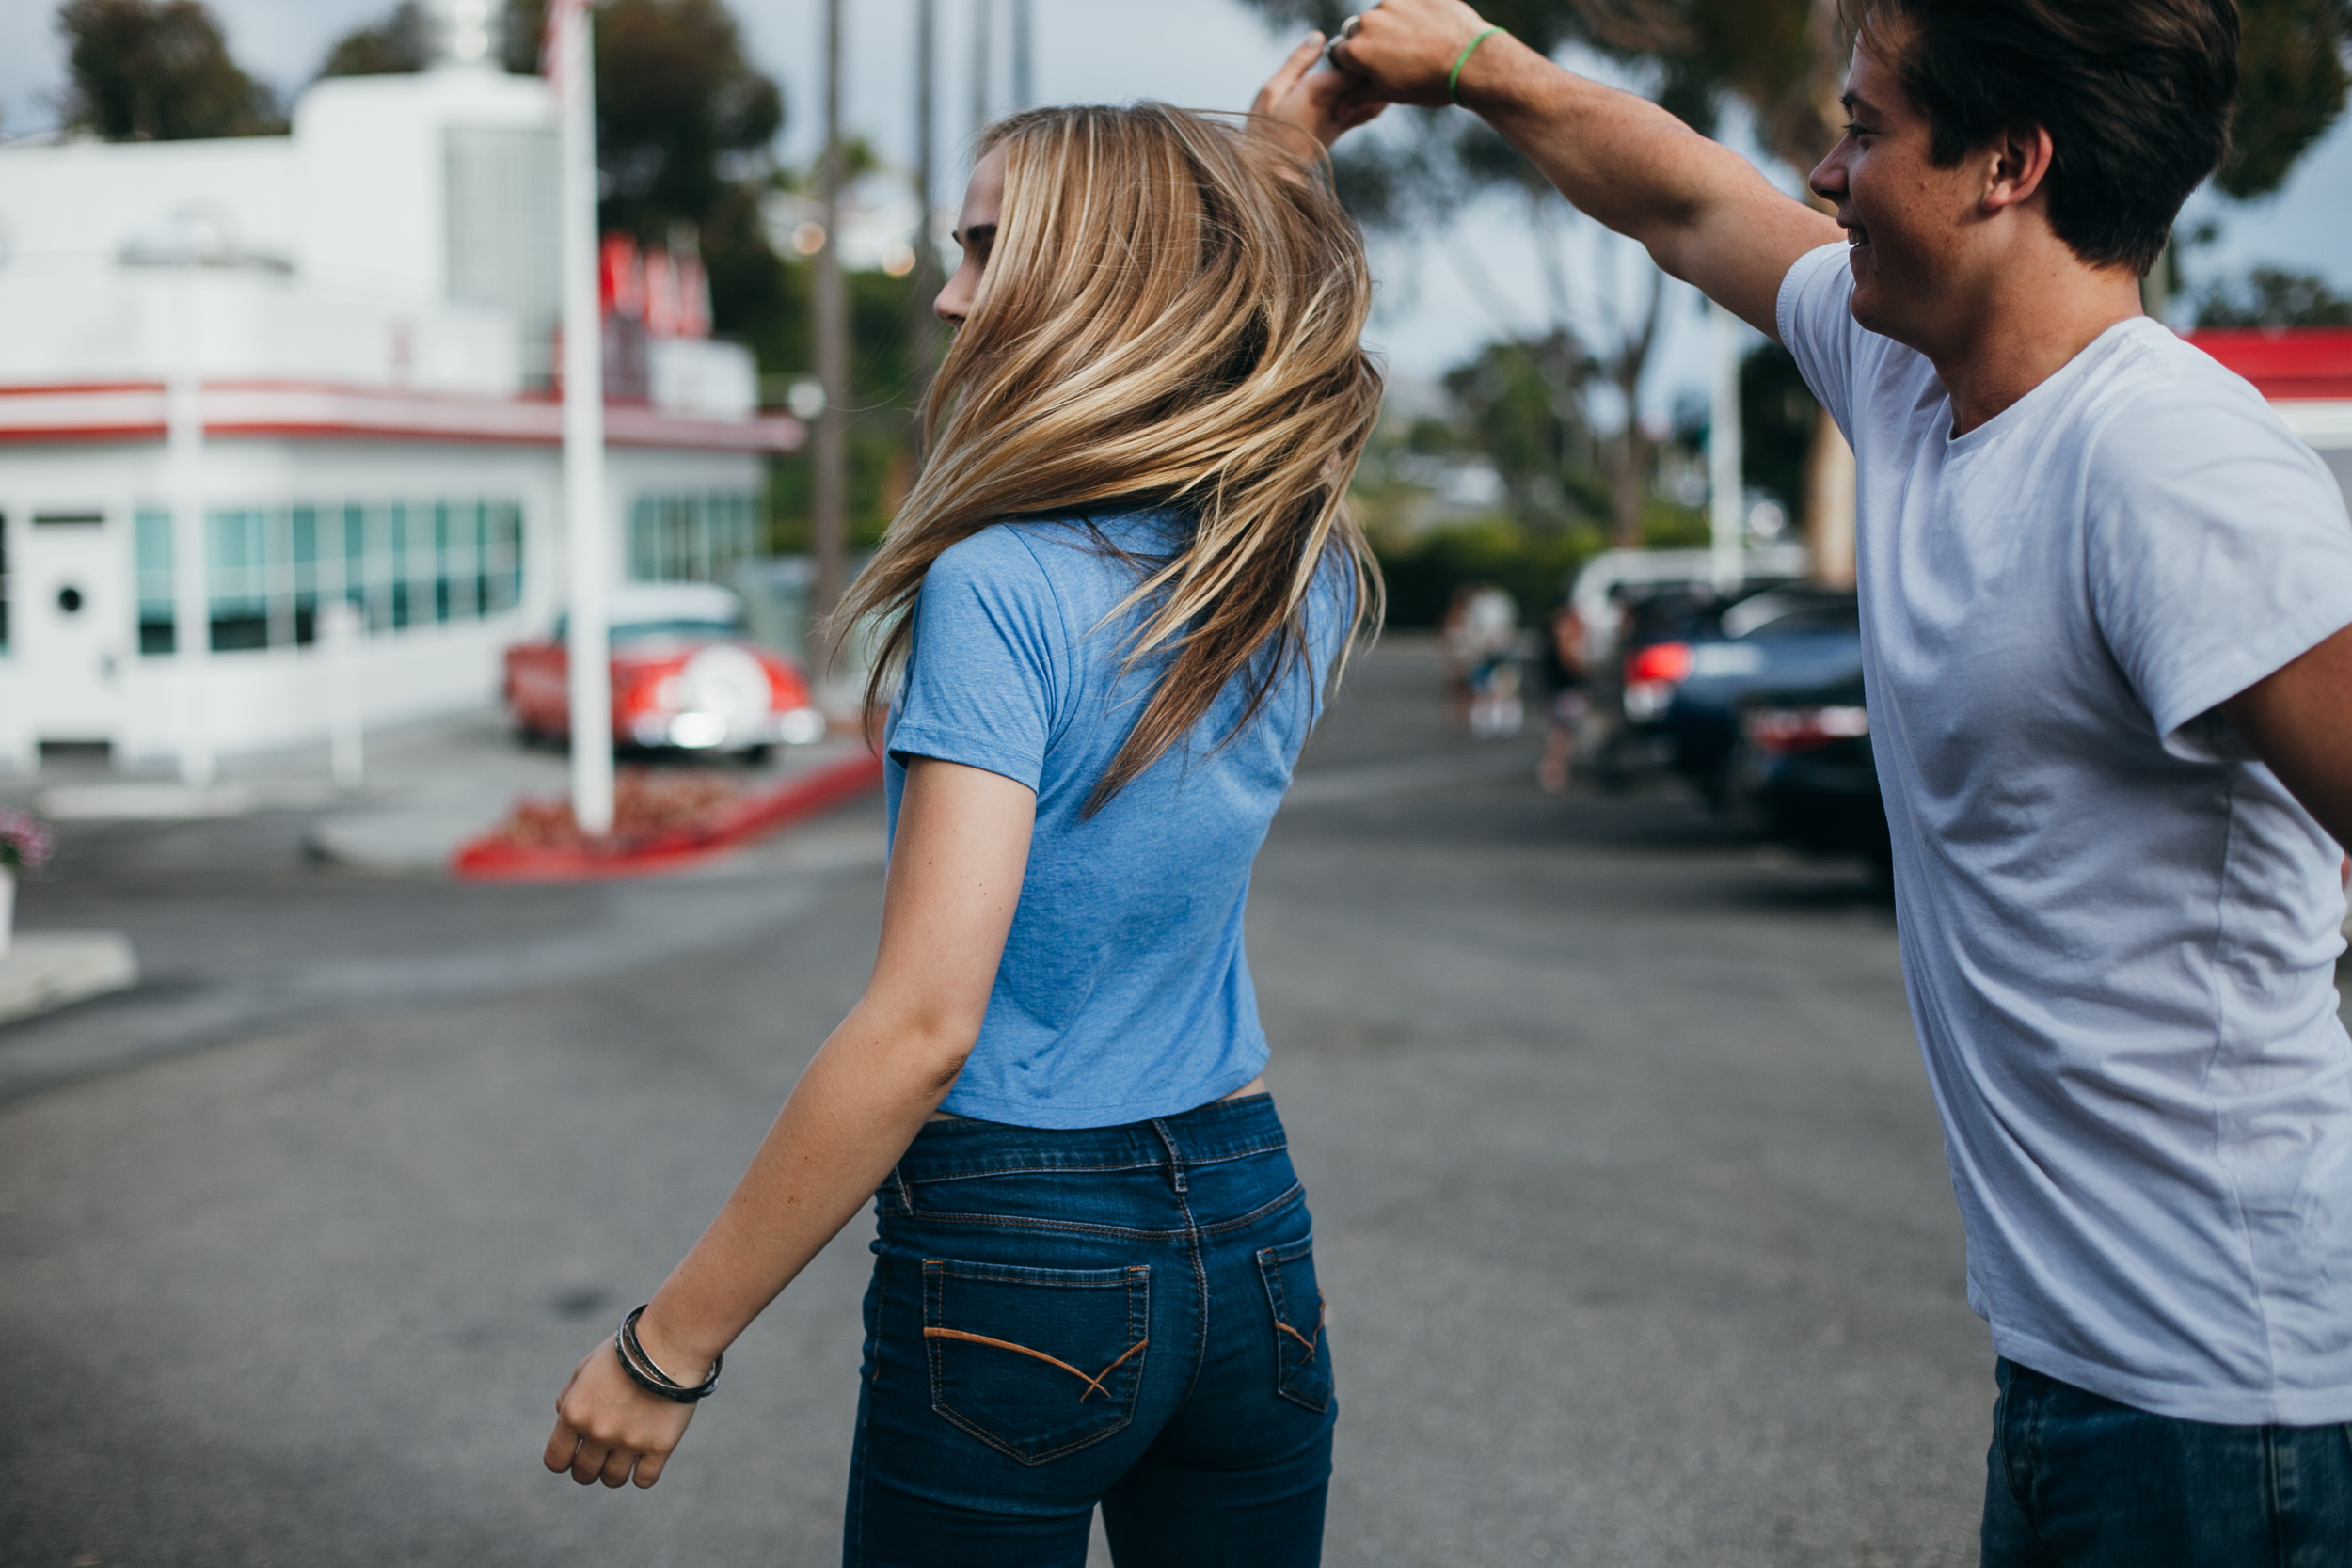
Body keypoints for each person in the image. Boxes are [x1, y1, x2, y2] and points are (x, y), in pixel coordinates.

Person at [1312, 0, 2352, 1560]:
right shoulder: (1906, 379)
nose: (1822, 166)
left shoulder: (2166, 467)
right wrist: (1475, 63)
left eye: (1865, 131)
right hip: (2079, 1369)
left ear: (2011, 163)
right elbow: (1682, 197)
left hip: (2228, 1403)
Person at [540, 81, 1387, 1567]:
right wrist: (1284, 155)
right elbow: (1271, 289)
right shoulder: (1287, 560)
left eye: (988, 246)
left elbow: (925, 1020)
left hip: (1021, 1241)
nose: (949, 292)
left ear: (1101, 278)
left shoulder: (1003, 585)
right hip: (1251, 1222)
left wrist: (667, 1346)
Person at [1536, 601, 1590, 792]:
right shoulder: (1563, 642)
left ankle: (1555, 771)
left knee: (1559, 734)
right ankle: (1555, 772)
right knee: (1561, 735)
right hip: (1564, 692)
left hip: (1557, 693)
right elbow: (1575, 667)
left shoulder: (1549, 642)